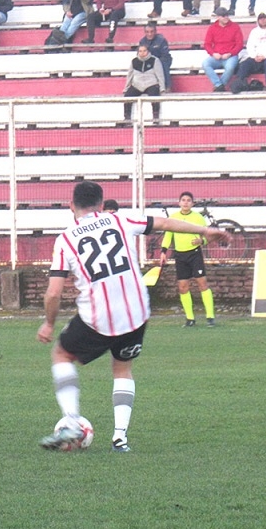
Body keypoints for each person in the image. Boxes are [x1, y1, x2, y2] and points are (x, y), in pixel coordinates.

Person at [37, 181, 228, 452]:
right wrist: (205, 229)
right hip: (137, 312)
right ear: (102, 205)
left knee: (61, 354)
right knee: (122, 368)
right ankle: (120, 438)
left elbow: (54, 293)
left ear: (71, 207)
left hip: (99, 316)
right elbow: (163, 224)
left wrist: (48, 323)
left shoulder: (66, 239)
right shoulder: (119, 219)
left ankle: (71, 422)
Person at [159, 191, 218, 328]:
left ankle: (210, 317)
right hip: (180, 255)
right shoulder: (173, 218)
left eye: (188, 200)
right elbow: (168, 236)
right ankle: (190, 318)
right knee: (183, 287)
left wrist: (201, 241)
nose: (185, 202)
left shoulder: (198, 218)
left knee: (202, 283)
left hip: (194, 253)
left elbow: (208, 235)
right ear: (179, 202)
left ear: (192, 203)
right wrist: (163, 251)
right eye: (183, 200)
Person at [234, 12, 266, 91]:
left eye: (264, 18)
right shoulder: (254, 31)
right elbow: (250, 45)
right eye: (260, 18)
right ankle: (240, 83)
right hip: (256, 57)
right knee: (245, 64)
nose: (263, 20)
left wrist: (265, 55)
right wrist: (254, 56)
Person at [202, 6, 243, 92]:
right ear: (218, 17)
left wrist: (230, 53)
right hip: (217, 56)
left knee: (230, 67)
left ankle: (220, 86)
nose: (226, 17)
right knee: (205, 64)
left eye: (227, 15)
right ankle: (219, 85)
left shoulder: (235, 27)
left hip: (230, 56)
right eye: (223, 16)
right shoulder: (212, 28)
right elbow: (207, 44)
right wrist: (213, 53)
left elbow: (239, 44)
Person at [123, 44, 164, 122]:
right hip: (137, 85)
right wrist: (126, 87)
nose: (142, 53)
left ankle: (156, 118)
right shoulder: (134, 61)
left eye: (144, 51)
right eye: (140, 51)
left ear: (148, 51)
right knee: (127, 97)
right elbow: (130, 75)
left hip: (151, 84)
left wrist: (162, 88)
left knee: (155, 96)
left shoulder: (155, 60)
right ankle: (127, 118)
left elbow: (160, 75)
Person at [139, 22, 172, 90]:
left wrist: (156, 62)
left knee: (163, 63)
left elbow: (165, 54)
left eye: (152, 31)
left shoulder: (161, 40)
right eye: (147, 32)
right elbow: (140, 54)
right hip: (149, 59)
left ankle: (167, 86)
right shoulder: (142, 41)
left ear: (155, 31)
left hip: (162, 59)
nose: (150, 34)